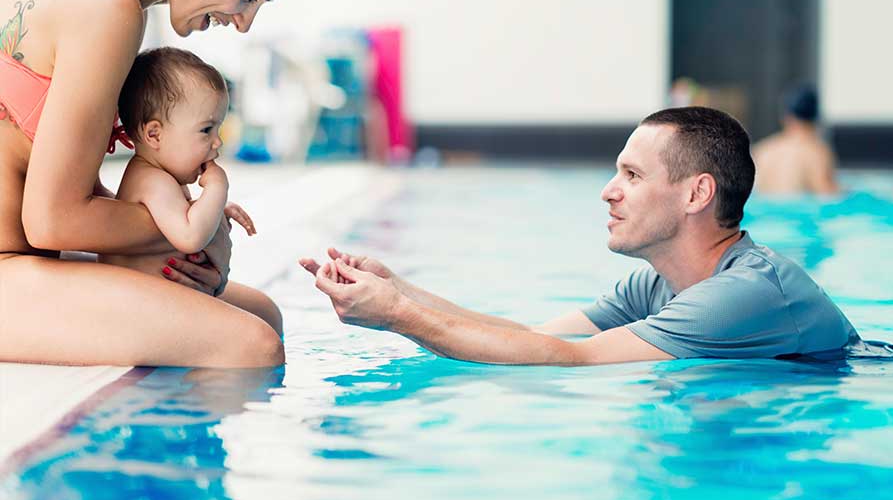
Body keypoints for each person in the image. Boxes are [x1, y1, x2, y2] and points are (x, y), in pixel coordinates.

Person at [300, 107, 861, 366]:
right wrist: (399, 289)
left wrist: (396, 315)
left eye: (632, 176)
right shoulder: (658, 284)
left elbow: (571, 359)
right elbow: (531, 336)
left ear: (696, 194)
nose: (608, 192)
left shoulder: (746, 292)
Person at [0, 0, 309, 367]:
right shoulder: (107, 7)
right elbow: (52, 221)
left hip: (20, 260)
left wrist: (189, 228)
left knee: (262, 313)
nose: (245, 23)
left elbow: (59, 190)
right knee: (253, 348)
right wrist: (194, 230)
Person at [98, 47, 281, 333]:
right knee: (252, 333)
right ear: (154, 134)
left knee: (268, 314)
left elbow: (177, 217)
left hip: (161, 299)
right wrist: (218, 188)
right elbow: (190, 236)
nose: (217, 142)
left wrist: (212, 208)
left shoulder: (159, 176)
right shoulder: (151, 179)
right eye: (206, 130)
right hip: (141, 309)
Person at [752, 86, 840, 195]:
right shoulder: (816, 153)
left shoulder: (762, 151)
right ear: (816, 117)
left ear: (785, 116)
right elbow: (828, 195)